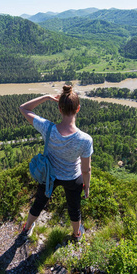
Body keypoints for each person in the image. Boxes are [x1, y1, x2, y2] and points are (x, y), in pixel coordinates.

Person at [19, 85, 93, 241]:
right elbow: (86, 169)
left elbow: (24, 108)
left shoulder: (48, 128)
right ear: (78, 108)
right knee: (74, 208)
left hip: (49, 176)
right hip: (73, 177)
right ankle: (76, 234)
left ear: (59, 109)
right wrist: (86, 188)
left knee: (39, 202)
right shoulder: (85, 139)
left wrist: (46, 97)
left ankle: (26, 228)